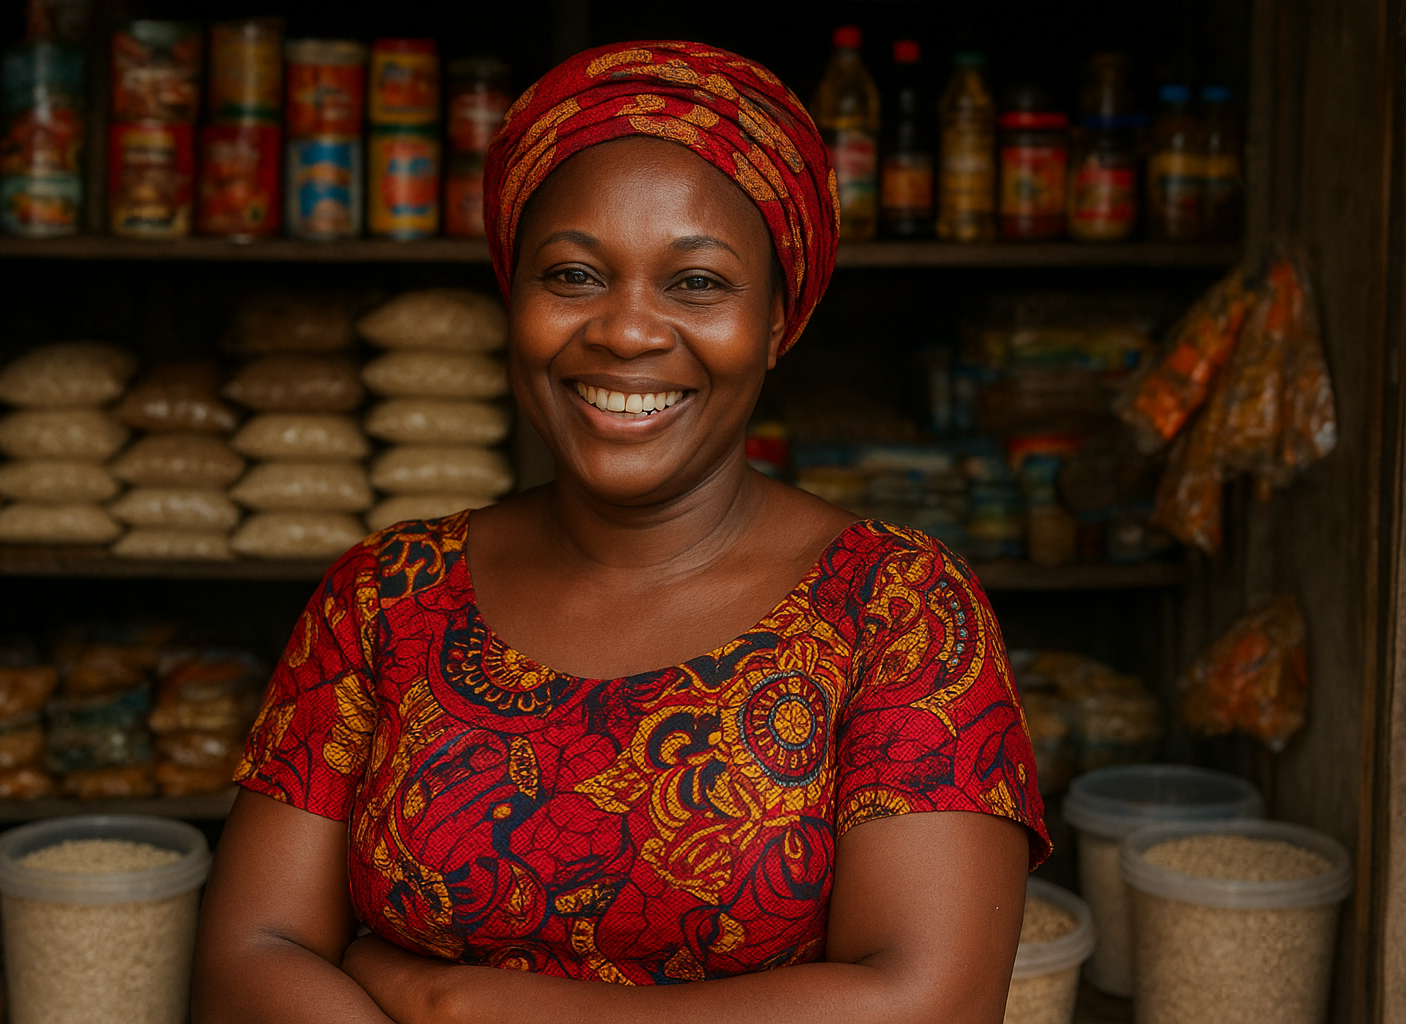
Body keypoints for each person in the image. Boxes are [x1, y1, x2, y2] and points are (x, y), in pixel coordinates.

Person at [194, 40, 1049, 1024]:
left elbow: (926, 1004)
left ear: (777, 320)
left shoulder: (898, 610)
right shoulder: (387, 595)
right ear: (515, 298)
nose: (627, 331)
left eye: (697, 283)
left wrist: (455, 1002)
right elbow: (248, 961)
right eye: (573, 274)